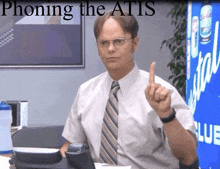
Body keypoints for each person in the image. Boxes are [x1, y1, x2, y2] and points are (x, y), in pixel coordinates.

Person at [60, 10, 198, 169]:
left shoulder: (162, 93)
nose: (110, 49)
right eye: (103, 43)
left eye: (118, 41)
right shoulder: (86, 92)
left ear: (135, 43)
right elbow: (70, 146)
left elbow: (189, 156)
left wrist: (166, 114)